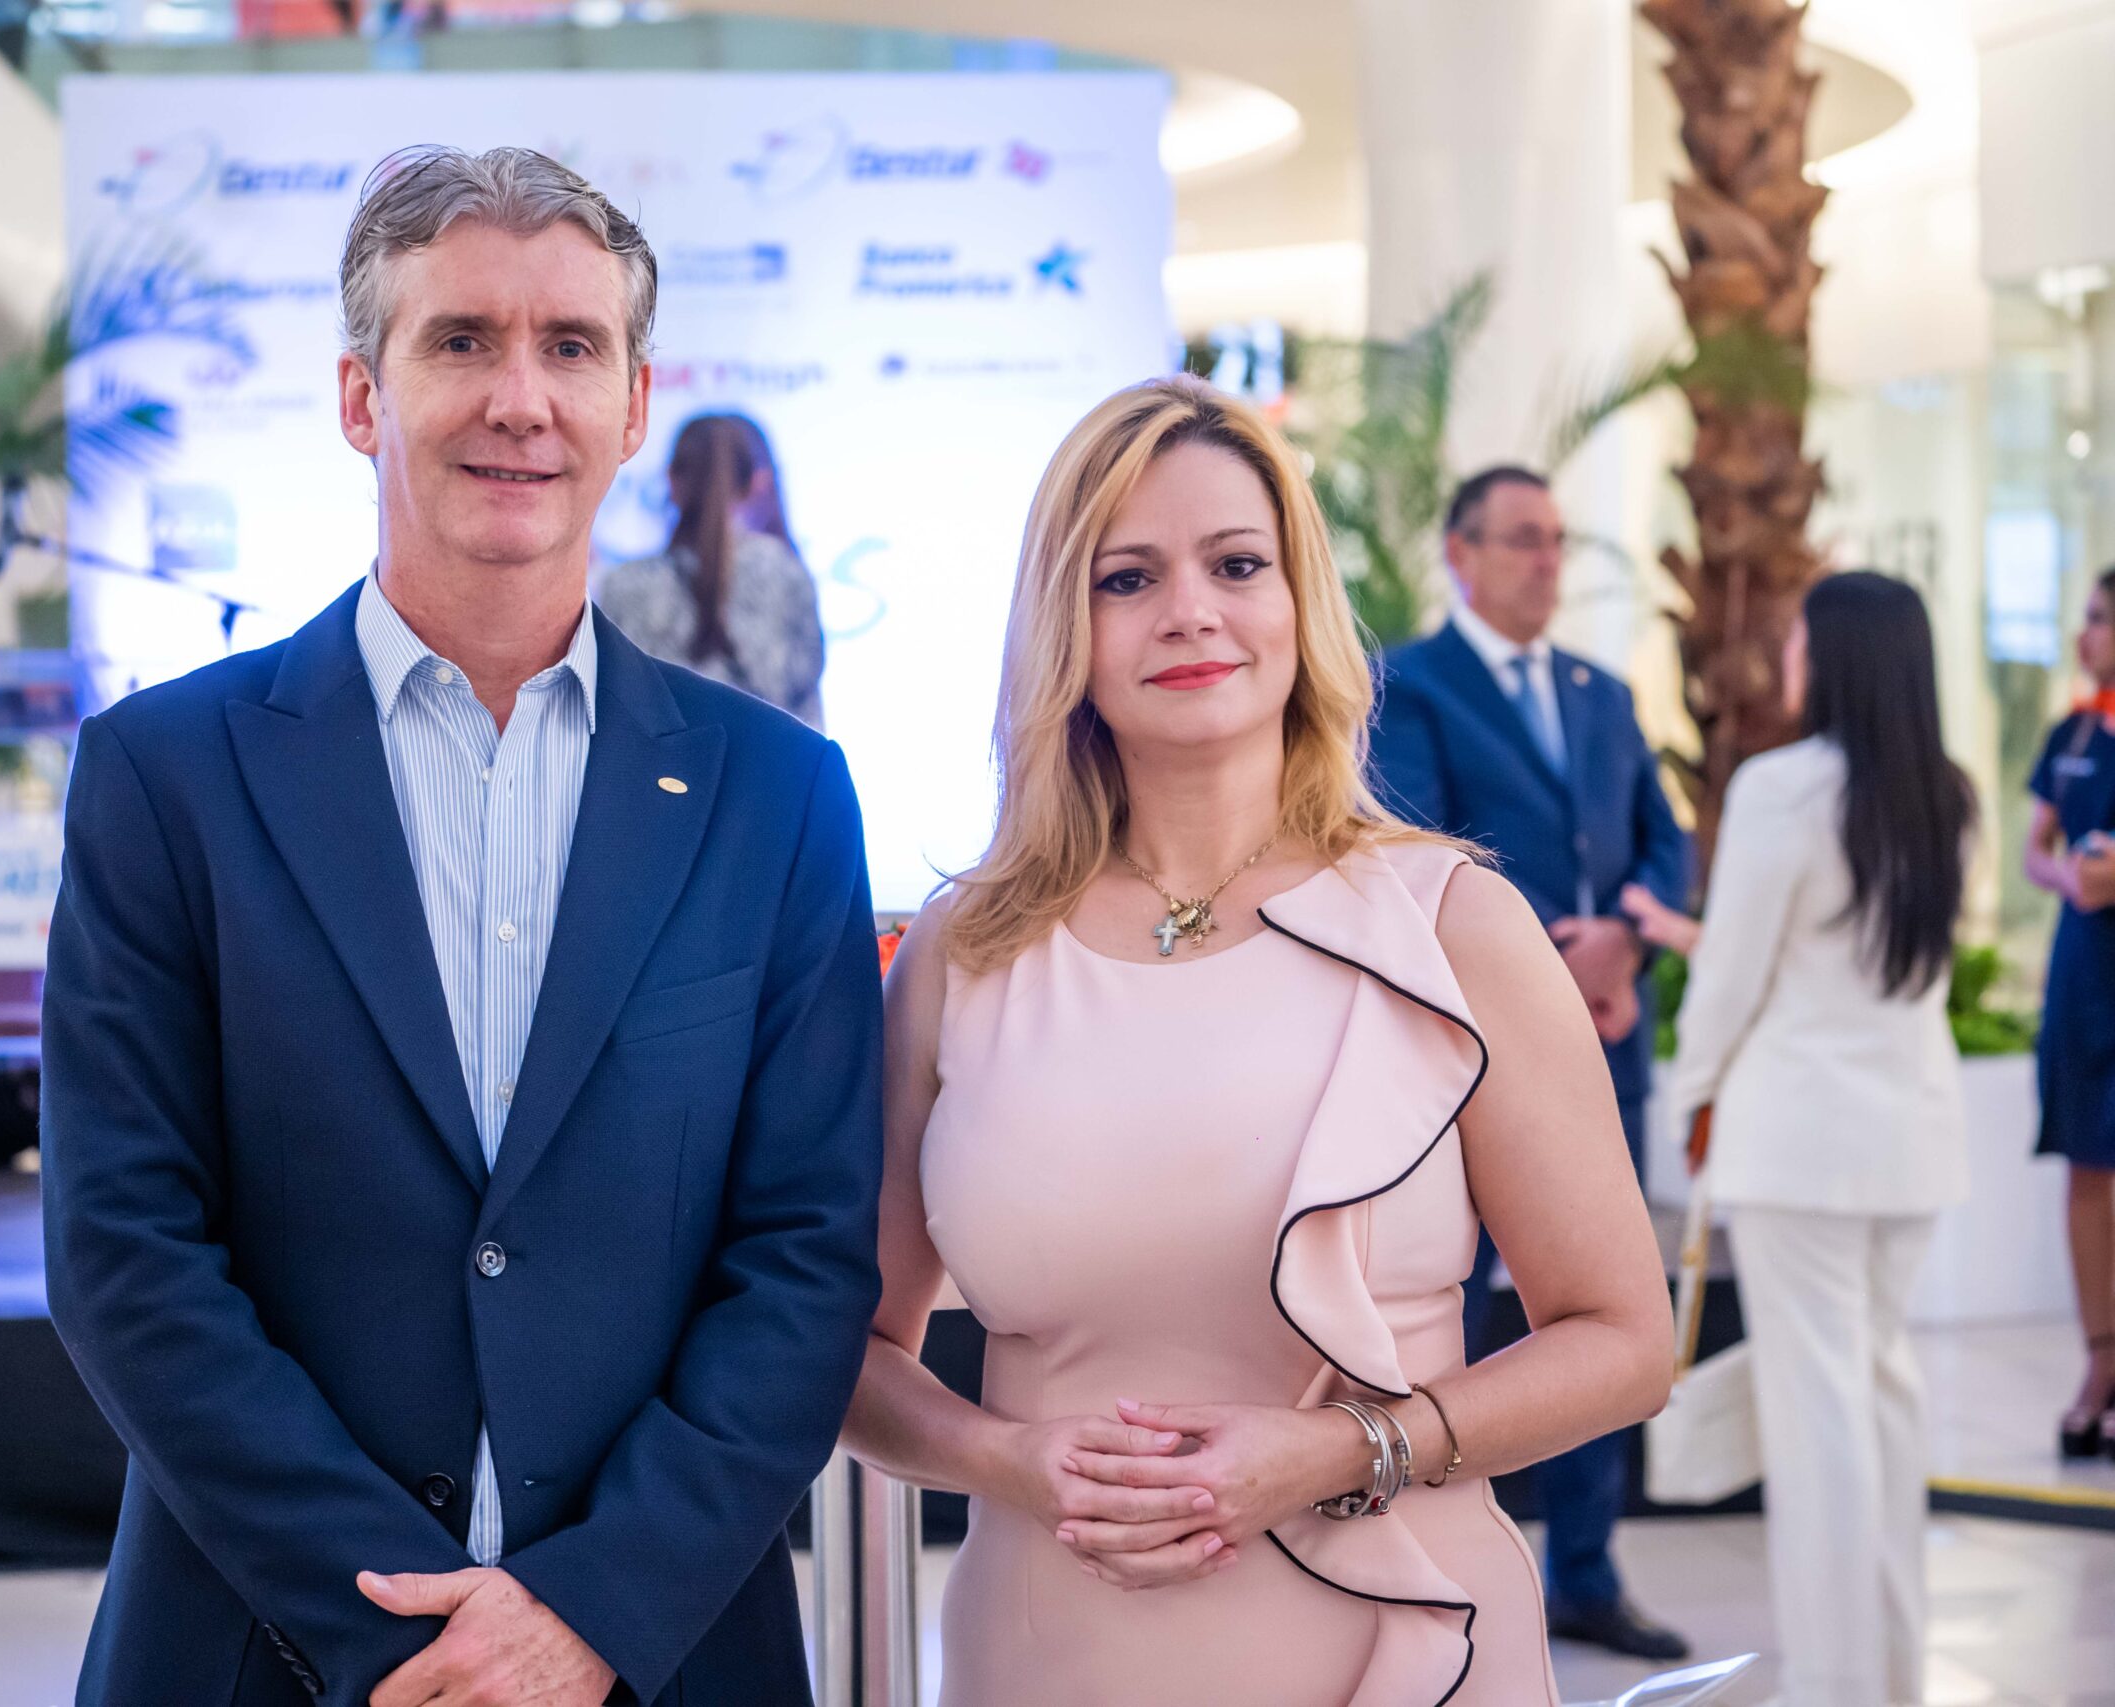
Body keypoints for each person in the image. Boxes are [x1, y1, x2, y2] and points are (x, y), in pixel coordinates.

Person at [40, 146, 884, 1707]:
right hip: (265, 1651)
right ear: (361, 397)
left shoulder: (778, 797)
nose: (520, 398)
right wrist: (412, 1633)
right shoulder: (167, 777)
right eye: (461, 340)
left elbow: (806, 1257)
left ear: (634, 404)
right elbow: (122, 1252)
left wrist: (589, 1612)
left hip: (659, 1653)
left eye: (571, 345)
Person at [842, 377, 1674, 1706]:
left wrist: (1346, 1450)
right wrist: (1007, 1459)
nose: (1190, 611)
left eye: (1236, 564)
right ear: (1063, 623)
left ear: (1299, 602)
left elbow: (1625, 1339)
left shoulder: (1452, 923)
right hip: (1048, 1650)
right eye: (1127, 577)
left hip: (1401, 1643)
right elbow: (854, 1351)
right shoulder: (967, 948)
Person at [1367, 465, 1693, 1661]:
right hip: (1468, 1048)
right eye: (1519, 540)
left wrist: (1626, 940)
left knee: (1601, 1309)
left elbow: (1664, 841)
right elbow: (1415, 841)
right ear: (1459, 555)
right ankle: (1449, 1550)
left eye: (1555, 540)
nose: (1545, 561)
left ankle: (1588, 1573)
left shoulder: (1601, 692)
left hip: (1609, 1036)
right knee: (1457, 1312)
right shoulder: (1409, 684)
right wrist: (1556, 963)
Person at [1646, 571, 1972, 1707]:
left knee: (1819, 1415)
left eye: (1797, 641)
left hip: (1801, 1146)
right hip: (1911, 1144)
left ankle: (1833, 1687)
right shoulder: (1944, 796)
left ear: (1833, 659)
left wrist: (1691, 1094)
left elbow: (1732, 974)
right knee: (1882, 1398)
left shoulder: (1783, 788)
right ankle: (1890, 1674)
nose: (1785, 659)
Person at [2024, 564, 2115, 1459]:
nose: (2086, 635)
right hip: (2084, 977)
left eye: (2100, 619)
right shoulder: (2074, 732)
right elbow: (2034, 849)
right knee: (2086, 1169)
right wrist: (2070, 880)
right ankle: (2099, 1363)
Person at [598, 411, 828, 726]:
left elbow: (614, 714)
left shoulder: (625, 586)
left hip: (665, 759)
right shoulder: (785, 574)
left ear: (670, 480)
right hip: (770, 757)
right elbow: (808, 716)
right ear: (755, 483)